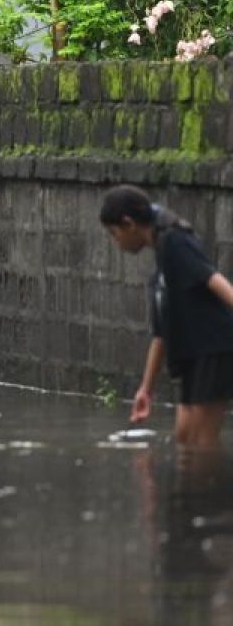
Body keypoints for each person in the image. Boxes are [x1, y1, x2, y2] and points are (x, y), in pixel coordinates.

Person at [100, 185, 233, 447]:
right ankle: (192, 487)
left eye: (114, 234)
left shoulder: (175, 243)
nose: (116, 242)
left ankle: (209, 486)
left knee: (202, 442)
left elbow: (216, 282)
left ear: (129, 224)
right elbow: (160, 335)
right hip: (194, 359)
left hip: (215, 351)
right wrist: (145, 390)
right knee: (185, 438)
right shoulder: (162, 263)